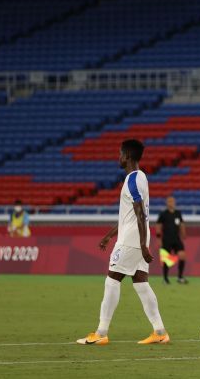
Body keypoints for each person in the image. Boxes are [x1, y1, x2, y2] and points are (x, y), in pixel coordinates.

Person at [77, 139, 169, 346]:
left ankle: (101, 332)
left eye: (120, 154)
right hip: (136, 238)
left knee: (112, 280)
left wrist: (143, 245)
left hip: (130, 241)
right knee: (141, 284)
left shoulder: (132, 179)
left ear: (127, 156)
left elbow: (139, 212)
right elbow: (130, 215)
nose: (118, 157)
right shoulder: (141, 177)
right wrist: (110, 235)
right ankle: (160, 331)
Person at [156, 196, 188, 284]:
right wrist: (158, 238)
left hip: (176, 238)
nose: (171, 203)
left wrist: (183, 233)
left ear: (174, 203)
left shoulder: (178, 213)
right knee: (166, 259)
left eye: (172, 201)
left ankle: (180, 277)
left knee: (182, 255)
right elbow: (158, 226)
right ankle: (165, 278)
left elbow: (181, 224)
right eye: (169, 201)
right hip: (166, 239)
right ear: (167, 203)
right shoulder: (163, 214)